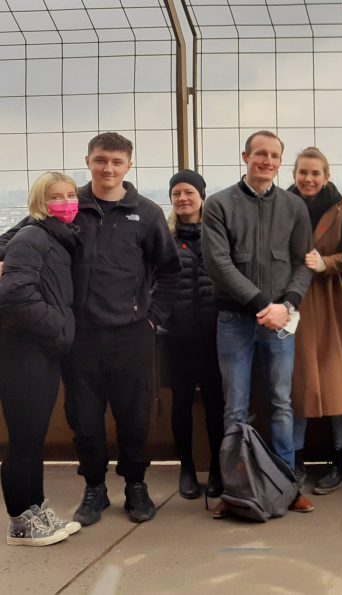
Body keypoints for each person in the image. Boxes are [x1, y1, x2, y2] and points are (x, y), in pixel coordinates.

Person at [0, 133, 181, 526]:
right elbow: (10, 243)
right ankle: (94, 488)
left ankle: (136, 485)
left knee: (135, 417)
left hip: (132, 334)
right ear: (88, 161)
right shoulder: (66, 206)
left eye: (117, 162)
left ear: (129, 166)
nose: (108, 169)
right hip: (80, 338)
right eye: (101, 160)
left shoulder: (147, 214)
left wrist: (152, 319)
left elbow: (170, 273)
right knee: (84, 418)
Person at [202, 130, 314, 516]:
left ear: (280, 162)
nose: (267, 161)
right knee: (235, 408)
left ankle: (285, 486)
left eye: (274, 156)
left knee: (281, 404)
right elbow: (219, 264)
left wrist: (287, 304)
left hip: (281, 320)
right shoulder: (218, 205)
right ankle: (236, 490)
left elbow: (304, 262)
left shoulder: (294, 207)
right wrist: (263, 304)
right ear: (245, 156)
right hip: (235, 320)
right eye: (259, 154)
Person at [0, 172, 81, 545]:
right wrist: (57, 327)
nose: (65, 202)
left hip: (41, 350)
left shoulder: (54, 236)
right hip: (23, 351)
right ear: (39, 202)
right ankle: (20, 521)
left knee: (33, 438)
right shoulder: (33, 236)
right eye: (56, 197)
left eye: (70, 195)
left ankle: (35, 508)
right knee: (24, 439)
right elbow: (15, 294)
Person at [287, 147, 342, 495]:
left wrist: (326, 263)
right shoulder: (281, 206)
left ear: (327, 176)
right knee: (296, 383)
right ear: (294, 174)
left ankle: (341, 460)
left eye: (315, 173)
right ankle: (295, 460)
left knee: (338, 381)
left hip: (333, 301)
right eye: (303, 172)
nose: (308, 179)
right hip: (294, 303)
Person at [163, 170, 224, 500]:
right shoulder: (164, 236)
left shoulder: (218, 234)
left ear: (202, 196)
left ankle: (216, 468)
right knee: (181, 403)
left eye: (189, 192)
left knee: (217, 403)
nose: (183, 198)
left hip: (216, 334)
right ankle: (186, 467)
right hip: (178, 335)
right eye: (176, 193)